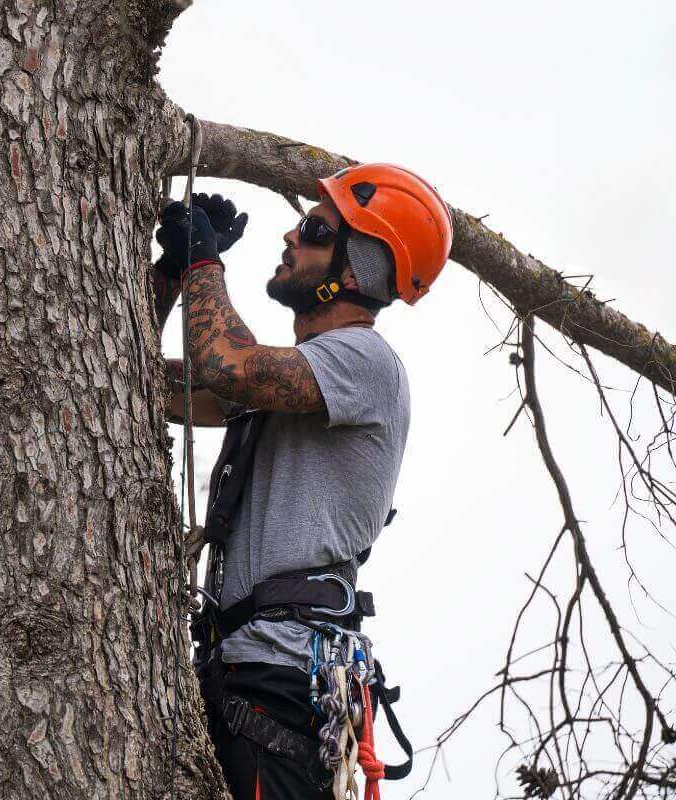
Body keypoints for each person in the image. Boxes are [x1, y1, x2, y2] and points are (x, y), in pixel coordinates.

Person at [150, 164, 453, 799]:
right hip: (242, 672)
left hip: (284, 684)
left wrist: (204, 264)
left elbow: (227, 366)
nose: (292, 236)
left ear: (359, 268)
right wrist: (171, 275)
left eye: (315, 231)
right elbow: (131, 382)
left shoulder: (366, 362)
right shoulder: (294, 386)